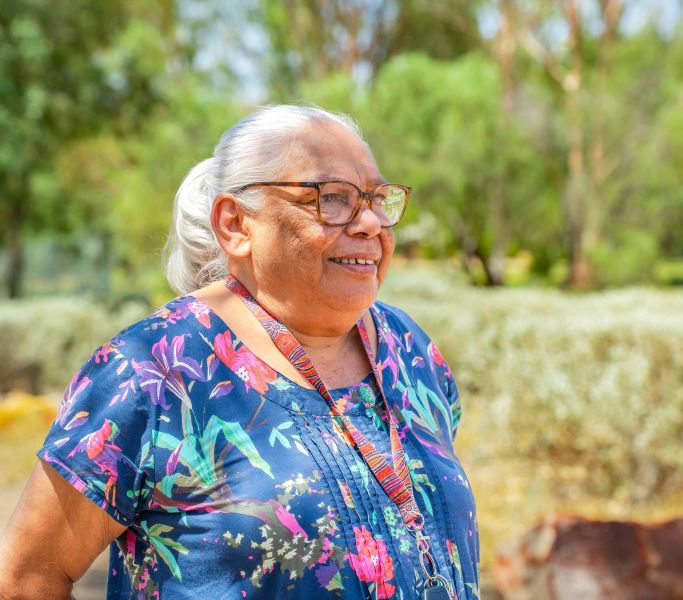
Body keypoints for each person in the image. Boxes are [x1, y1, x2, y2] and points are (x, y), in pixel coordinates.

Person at [0, 105, 479, 600]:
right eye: (332, 199)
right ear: (236, 224)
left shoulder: (411, 350)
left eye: (378, 199)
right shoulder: (152, 371)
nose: (370, 224)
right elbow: (26, 576)